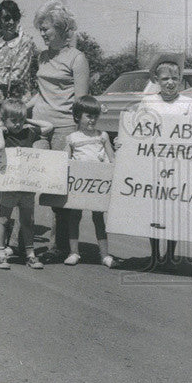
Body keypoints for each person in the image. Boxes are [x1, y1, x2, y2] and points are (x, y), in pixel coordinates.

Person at [120, 56, 192, 269]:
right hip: (153, 166)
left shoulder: (188, 103)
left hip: (179, 167)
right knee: (154, 211)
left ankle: (170, 255)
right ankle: (154, 255)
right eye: (166, 78)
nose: (170, 82)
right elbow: (137, 131)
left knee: (173, 211)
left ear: (180, 80)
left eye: (175, 79)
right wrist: (122, 141)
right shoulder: (149, 101)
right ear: (157, 80)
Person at [28, 0, 90, 262]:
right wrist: (21, 108)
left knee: (59, 189)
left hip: (64, 128)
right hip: (39, 128)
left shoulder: (78, 58)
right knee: (29, 183)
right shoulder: (41, 57)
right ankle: (24, 243)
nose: (42, 33)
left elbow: (82, 100)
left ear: (62, 29)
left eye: (46, 29)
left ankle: (59, 245)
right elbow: (40, 94)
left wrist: (79, 135)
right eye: (40, 29)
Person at [0, 98, 53, 269]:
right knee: (4, 219)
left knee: (28, 220)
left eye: (21, 120)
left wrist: (26, 120)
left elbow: (48, 126)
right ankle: (0, 253)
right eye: (14, 120)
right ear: (4, 119)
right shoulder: (3, 134)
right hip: (9, 185)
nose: (18, 124)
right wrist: (0, 128)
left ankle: (30, 254)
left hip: (26, 185)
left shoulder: (29, 133)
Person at [63, 95, 115, 267]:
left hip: (97, 184)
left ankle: (105, 255)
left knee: (98, 217)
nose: (93, 120)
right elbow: (66, 161)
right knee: (74, 216)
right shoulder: (72, 138)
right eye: (88, 116)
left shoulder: (103, 136)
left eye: (95, 116)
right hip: (78, 185)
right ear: (78, 116)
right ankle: (74, 252)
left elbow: (111, 158)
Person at [0, 0, 37, 100]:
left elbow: (17, 76)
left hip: (18, 103)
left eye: (15, 18)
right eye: (7, 18)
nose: (11, 22)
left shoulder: (25, 42)